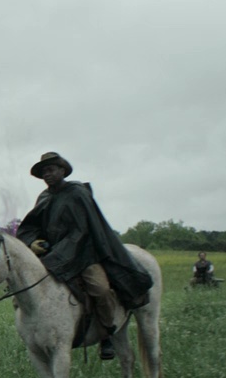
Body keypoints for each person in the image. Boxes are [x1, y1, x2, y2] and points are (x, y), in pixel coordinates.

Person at [16, 152, 153, 360]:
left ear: (62, 170)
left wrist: (58, 256)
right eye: (44, 172)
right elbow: (31, 226)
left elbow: (80, 232)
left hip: (82, 256)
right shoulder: (44, 198)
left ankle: (107, 332)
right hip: (53, 256)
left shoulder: (78, 193)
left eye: (51, 170)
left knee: (101, 290)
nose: (47, 174)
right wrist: (33, 242)